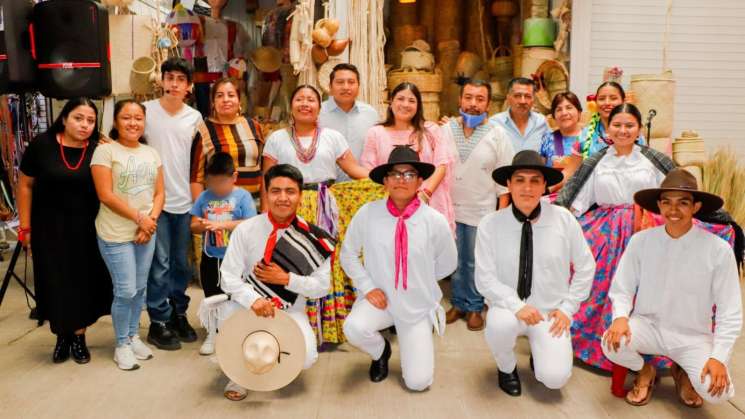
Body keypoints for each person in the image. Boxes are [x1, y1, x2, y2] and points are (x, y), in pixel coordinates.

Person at [555, 103, 742, 371]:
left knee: (656, 289)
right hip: (608, 231)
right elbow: (579, 200)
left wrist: (718, 221)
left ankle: (668, 354)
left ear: (638, 129)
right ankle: (614, 349)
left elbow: (677, 195)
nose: (623, 130)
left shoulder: (651, 159)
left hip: (647, 226)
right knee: (603, 284)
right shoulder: (597, 161)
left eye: (629, 125)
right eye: (617, 125)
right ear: (608, 128)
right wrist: (562, 222)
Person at [603, 169, 741, 407]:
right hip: (648, 325)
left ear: (696, 207)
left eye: (683, 203)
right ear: (659, 205)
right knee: (610, 343)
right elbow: (622, 287)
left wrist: (718, 357)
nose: (673, 210)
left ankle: (684, 372)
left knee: (717, 393)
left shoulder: (718, 250)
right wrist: (620, 318)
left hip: (693, 336)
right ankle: (645, 370)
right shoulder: (641, 241)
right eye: (667, 202)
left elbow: (730, 311)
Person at [475, 150, 595, 396]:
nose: (527, 188)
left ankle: (541, 355)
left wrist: (567, 308)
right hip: (508, 308)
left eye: (535, 181)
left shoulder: (563, 219)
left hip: (549, 311)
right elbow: (484, 277)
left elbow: (586, 266)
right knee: (499, 326)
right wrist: (515, 304)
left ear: (544, 187)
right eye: (519, 180)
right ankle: (506, 368)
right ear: (508, 184)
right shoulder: (491, 224)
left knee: (554, 379)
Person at [342, 146, 457, 391]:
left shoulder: (433, 220)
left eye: (408, 174)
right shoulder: (368, 213)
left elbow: (448, 263)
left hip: (416, 306)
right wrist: (368, 286)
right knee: (354, 328)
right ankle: (380, 351)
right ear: (385, 180)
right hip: (379, 300)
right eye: (395, 174)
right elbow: (348, 254)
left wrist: (419, 282)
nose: (401, 180)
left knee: (418, 382)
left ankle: (414, 339)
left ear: (419, 181)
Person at [216, 164, 334, 400]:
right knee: (228, 321)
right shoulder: (246, 230)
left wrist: (286, 279)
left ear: (300, 195)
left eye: (290, 191)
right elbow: (227, 276)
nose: (282, 198)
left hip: (291, 309)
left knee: (307, 357)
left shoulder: (314, 237)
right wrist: (254, 299)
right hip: (247, 305)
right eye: (276, 191)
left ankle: (268, 365)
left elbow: (322, 287)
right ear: (266, 194)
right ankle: (239, 375)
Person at [262, 84, 369, 345]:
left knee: (327, 263)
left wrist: (384, 179)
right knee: (291, 262)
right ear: (292, 106)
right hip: (289, 206)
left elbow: (353, 168)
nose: (305, 104)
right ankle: (295, 327)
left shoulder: (333, 137)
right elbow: (267, 180)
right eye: (300, 99)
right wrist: (267, 215)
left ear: (319, 108)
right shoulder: (277, 138)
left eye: (311, 99)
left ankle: (330, 329)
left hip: (325, 208)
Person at [17, 98, 112, 364]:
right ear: (65, 118)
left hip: (86, 229)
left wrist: (111, 147)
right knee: (55, 282)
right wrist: (25, 228)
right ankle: (61, 337)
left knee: (82, 282)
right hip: (48, 229)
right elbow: (24, 186)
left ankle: (79, 338)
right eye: (78, 118)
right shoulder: (41, 146)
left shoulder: (98, 149)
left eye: (90, 121)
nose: (84, 125)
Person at [91, 100, 165, 370]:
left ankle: (133, 336)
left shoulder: (151, 153)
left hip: (146, 231)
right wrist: (140, 219)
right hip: (115, 233)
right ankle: (121, 344)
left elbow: (159, 193)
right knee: (125, 290)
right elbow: (106, 196)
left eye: (138, 118)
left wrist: (151, 221)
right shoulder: (105, 152)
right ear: (115, 122)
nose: (133, 123)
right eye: (126, 118)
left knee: (140, 289)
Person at [440, 80, 514, 331]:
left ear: (488, 104)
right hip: (448, 208)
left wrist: (501, 216)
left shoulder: (498, 135)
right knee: (454, 260)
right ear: (459, 100)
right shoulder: (445, 130)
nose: (473, 104)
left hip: (481, 210)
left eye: (479, 99)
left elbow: (505, 181)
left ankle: (474, 306)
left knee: (474, 261)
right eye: (468, 98)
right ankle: (457, 303)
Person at [144, 57, 203, 350]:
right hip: (154, 202)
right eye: (170, 78)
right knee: (160, 264)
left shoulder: (195, 118)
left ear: (188, 86)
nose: (174, 84)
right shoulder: (145, 112)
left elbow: (200, 161)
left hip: (183, 201)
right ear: (162, 81)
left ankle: (179, 313)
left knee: (182, 264)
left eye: (180, 79)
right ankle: (159, 321)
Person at [361, 82, 455, 233]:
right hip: (389, 205)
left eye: (411, 100)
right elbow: (369, 171)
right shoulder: (376, 133)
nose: (405, 104)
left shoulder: (431, 131)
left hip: (428, 203)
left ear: (418, 106)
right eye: (400, 99)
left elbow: (442, 165)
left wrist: (425, 195)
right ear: (391, 102)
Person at [190, 152, 257, 355]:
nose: (218, 187)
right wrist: (203, 226)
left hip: (236, 259)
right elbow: (193, 225)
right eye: (213, 182)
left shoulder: (243, 196)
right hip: (211, 257)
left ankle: (236, 332)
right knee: (212, 294)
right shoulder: (204, 197)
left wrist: (224, 224)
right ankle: (213, 332)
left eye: (222, 182)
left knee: (236, 295)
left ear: (234, 177)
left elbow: (250, 223)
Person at [190, 77, 264, 201]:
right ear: (213, 102)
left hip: (253, 204)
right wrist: (201, 212)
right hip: (220, 207)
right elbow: (196, 178)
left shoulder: (254, 126)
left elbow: (263, 168)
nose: (226, 100)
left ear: (239, 101)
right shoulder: (205, 130)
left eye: (231, 95)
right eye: (219, 96)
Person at [319, 63, 380, 182]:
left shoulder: (371, 114)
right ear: (330, 86)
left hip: (363, 187)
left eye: (351, 82)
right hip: (326, 187)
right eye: (340, 82)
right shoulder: (318, 113)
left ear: (358, 86)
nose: (346, 87)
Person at [580, 81, 645, 158]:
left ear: (623, 101)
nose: (607, 103)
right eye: (601, 99)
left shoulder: (634, 133)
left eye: (613, 98)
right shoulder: (586, 134)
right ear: (595, 103)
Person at [538, 92, 585, 194]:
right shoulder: (547, 139)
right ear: (554, 117)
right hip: (550, 197)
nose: (564, 113)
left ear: (579, 112)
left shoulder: (589, 137)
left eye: (569, 107)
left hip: (583, 199)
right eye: (559, 109)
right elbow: (540, 172)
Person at [488, 77, 548, 152]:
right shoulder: (494, 123)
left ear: (533, 100)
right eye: (517, 96)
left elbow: (553, 150)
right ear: (508, 98)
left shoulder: (541, 122)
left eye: (527, 96)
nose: (522, 101)